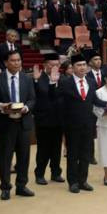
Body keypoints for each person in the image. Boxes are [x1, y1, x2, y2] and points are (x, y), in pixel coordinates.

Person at [57, 53, 107, 193]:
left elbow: (95, 100)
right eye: (78, 65)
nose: (82, 68)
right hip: (71, 124)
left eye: (83, 65)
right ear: (72, 68)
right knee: (73, 154)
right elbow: (57, 101)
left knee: (86, 153)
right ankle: (73, 182)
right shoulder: (65, 83)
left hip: (88, 123)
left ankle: (83, 180)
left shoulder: (91, 82)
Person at [0, 51, 36, 200]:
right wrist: (2, 106)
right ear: (6, 62)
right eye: (13, 60)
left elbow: (32, 99)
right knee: (5, 158)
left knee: (24, 156)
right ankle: (5, 187)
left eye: (18, 60)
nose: (17, 63)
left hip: (23, 122)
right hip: (5, 123)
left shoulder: (27, 79)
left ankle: (21, 186)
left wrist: (26, 108)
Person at [32, 54, 64, 185]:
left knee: (57, 148)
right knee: (43, 149)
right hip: (43, 119)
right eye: (52, 65)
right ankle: (39, 174)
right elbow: (34, 96)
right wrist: (35, 81)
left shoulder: (62, 79)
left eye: (57, 65)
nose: (55, 67)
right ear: (45, 65)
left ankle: (56, 172)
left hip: (58, 119)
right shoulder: (39, 78)